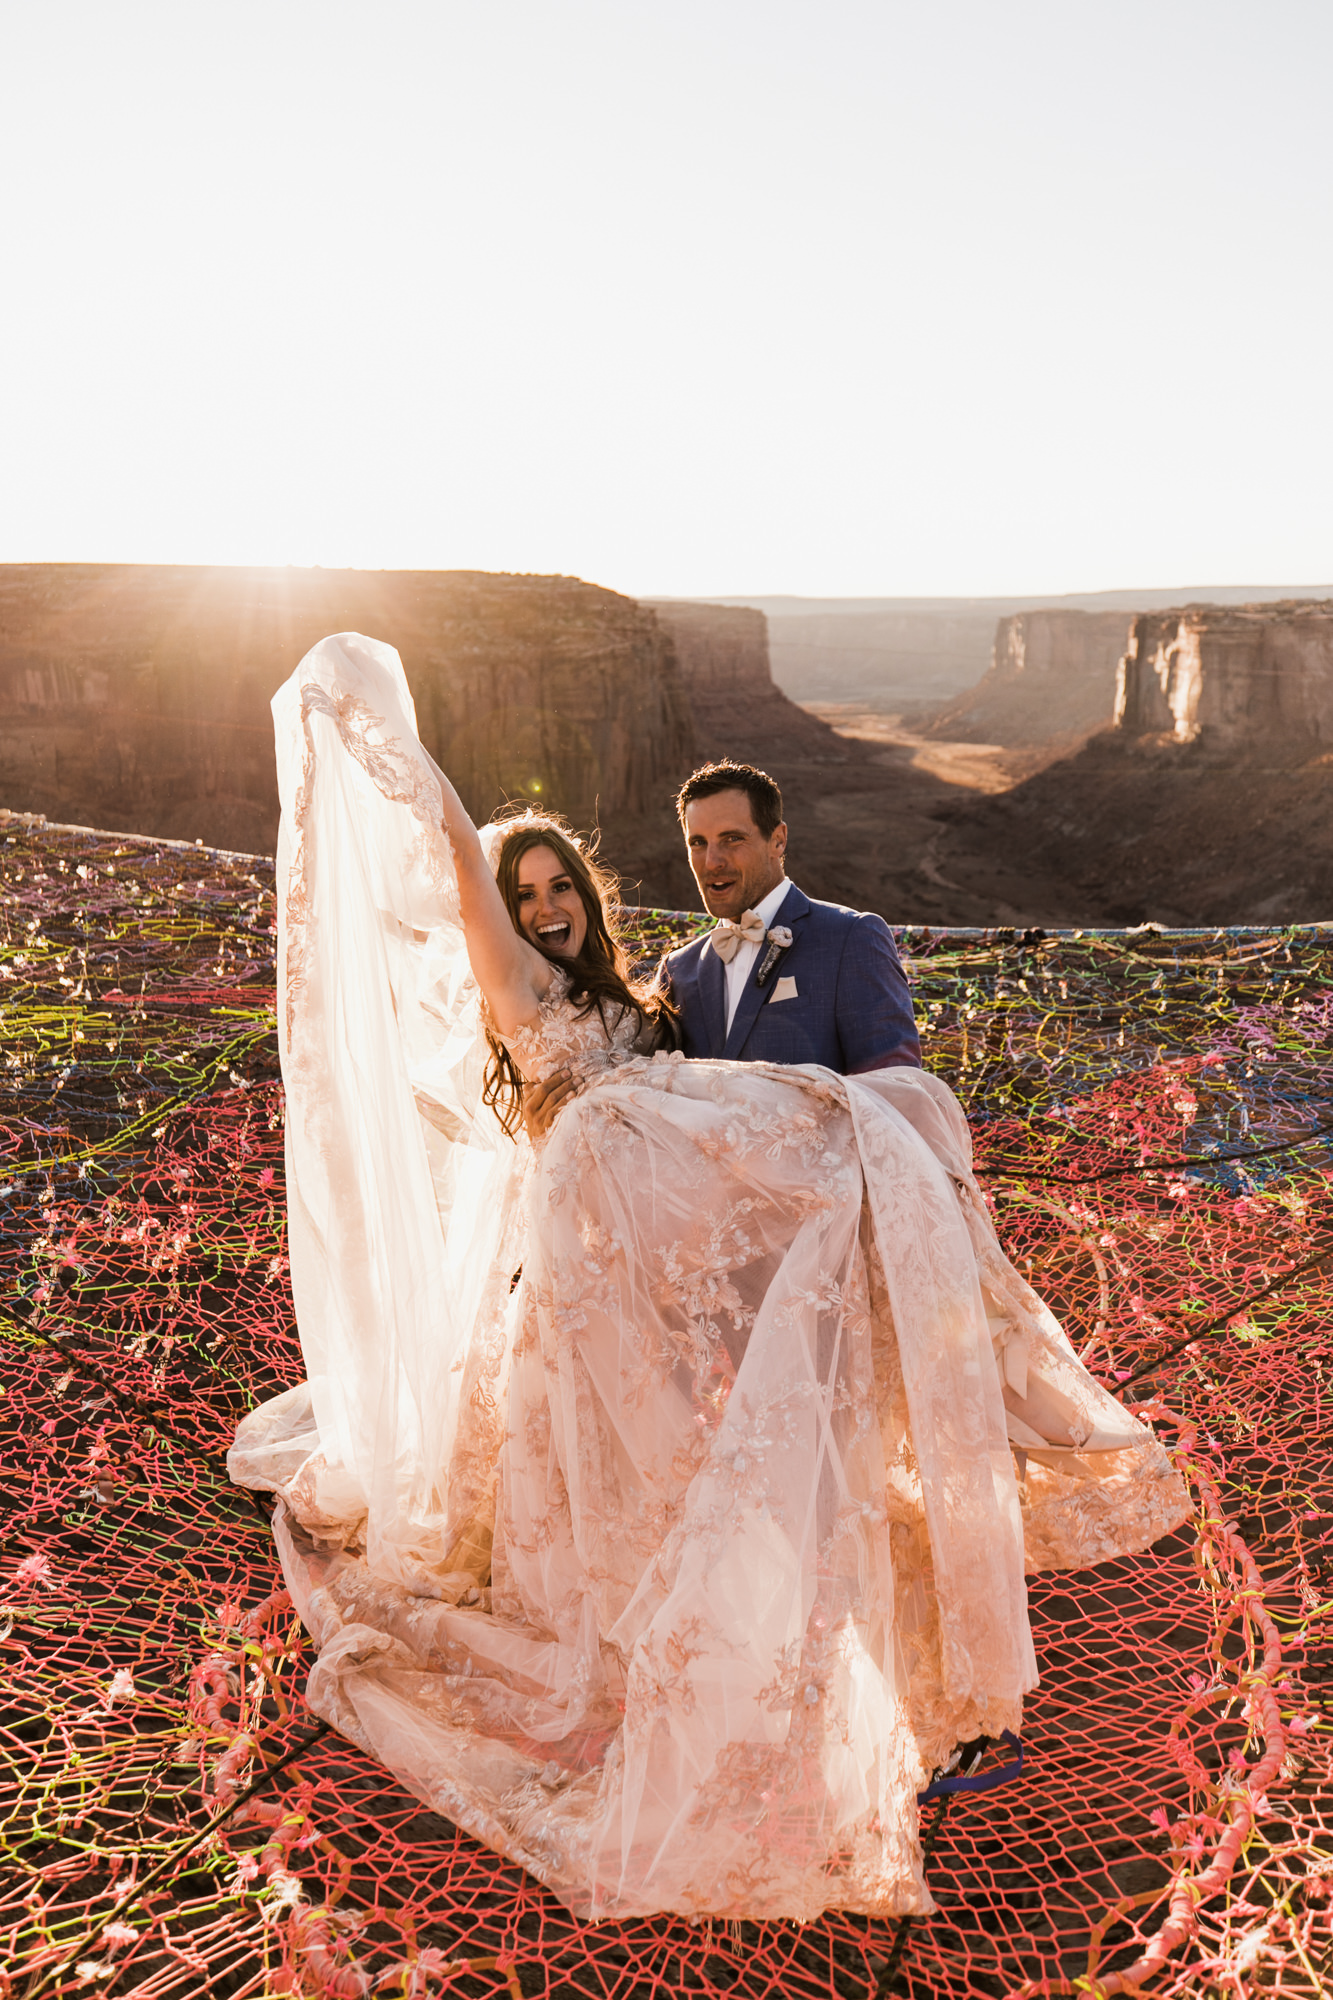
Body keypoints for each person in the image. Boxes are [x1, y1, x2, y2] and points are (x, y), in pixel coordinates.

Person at [229, 633, 1190, 1925]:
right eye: (523, 894)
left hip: (706, 1272)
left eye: (558, 883)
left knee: (737, 1451)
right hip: (607, 1261)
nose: (542, 905)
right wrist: (398, 755)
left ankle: (818, 1639)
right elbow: (461, 874)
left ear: (593, 889)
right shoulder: (523, 986)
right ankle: (700, 1666)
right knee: (649, 1479)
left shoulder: (659, 988)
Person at [523, 759, 920, 1137]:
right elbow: (648, 1105)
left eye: (732, 839)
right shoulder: (679, 972)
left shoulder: (851, 939)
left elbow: (895, 1097)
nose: (712, 861)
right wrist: (558, 1117)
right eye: (698, 843)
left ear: (777, 840)